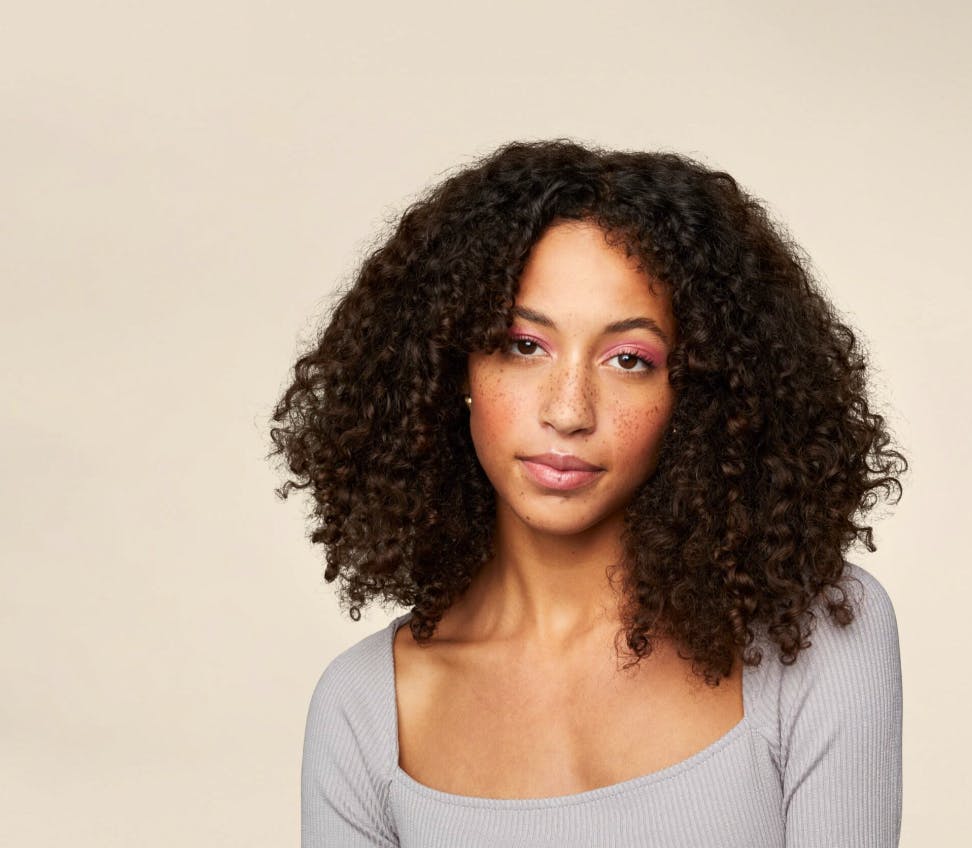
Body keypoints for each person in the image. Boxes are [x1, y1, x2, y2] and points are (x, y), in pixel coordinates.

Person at [269, 139, 908, 847]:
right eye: (523, 345)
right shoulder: (367, 711)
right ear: (454, 367)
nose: (569, 410)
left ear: (699, 394)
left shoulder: (816, 639)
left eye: (629, 359)